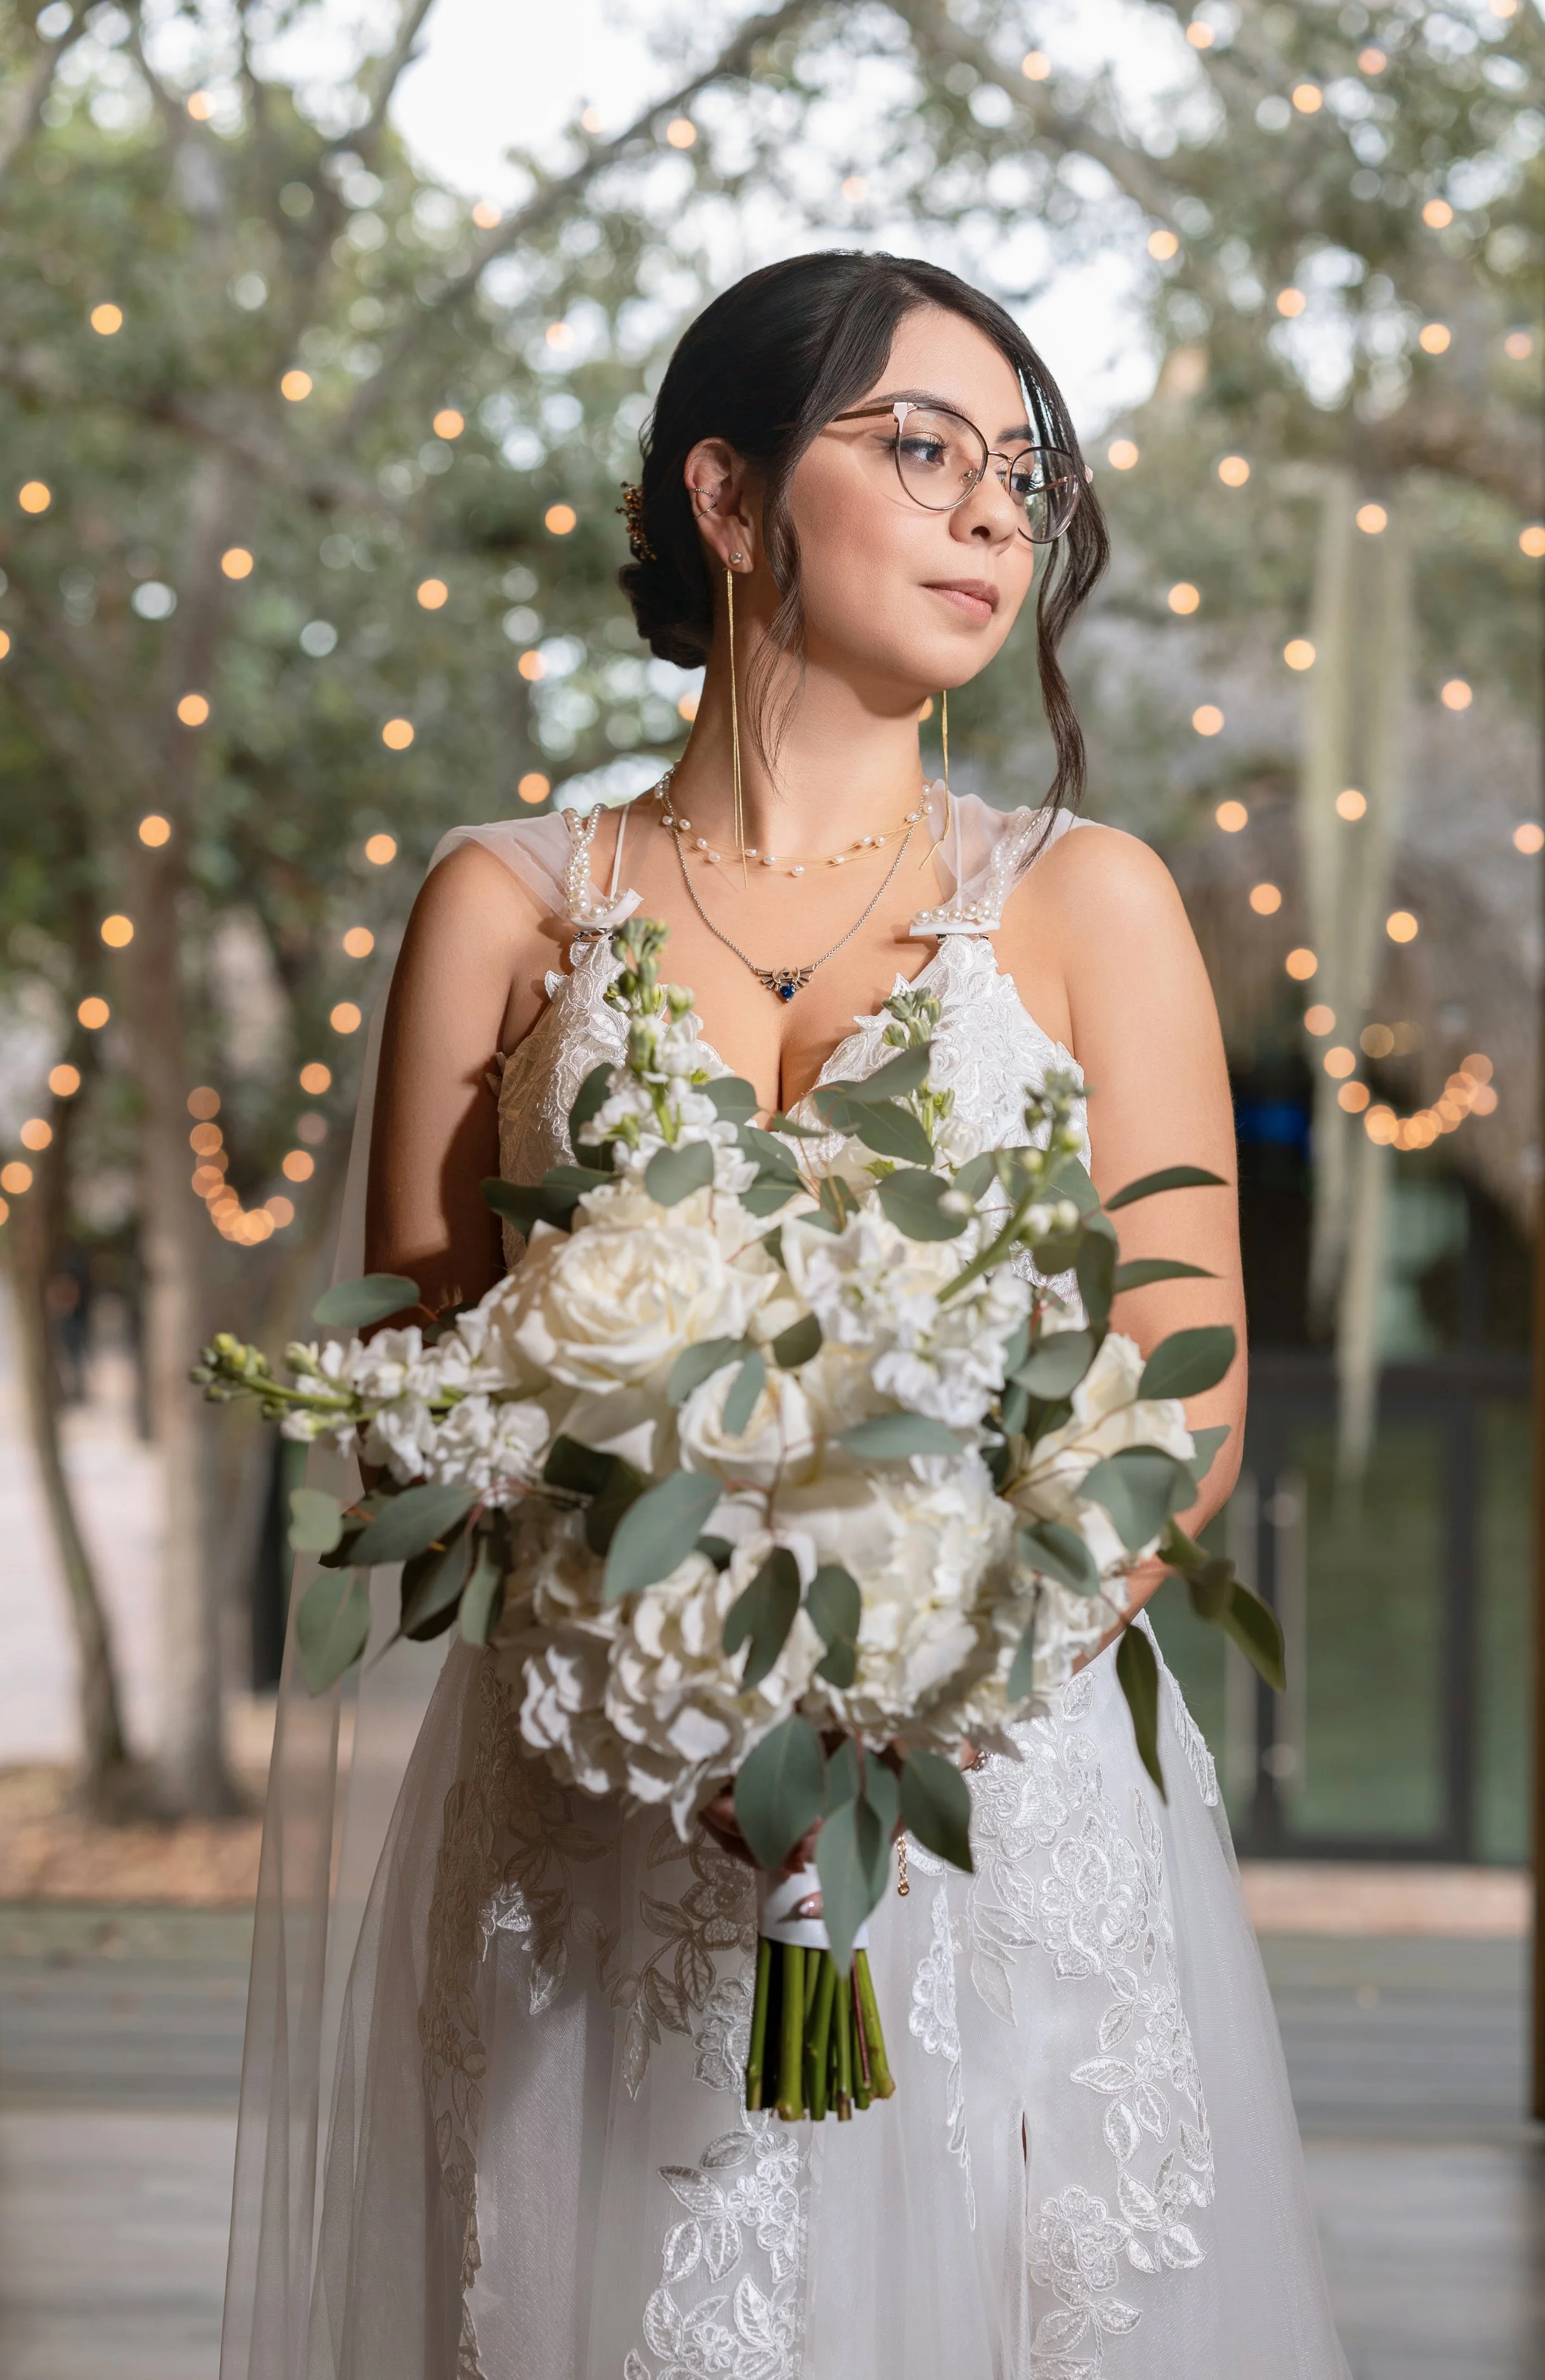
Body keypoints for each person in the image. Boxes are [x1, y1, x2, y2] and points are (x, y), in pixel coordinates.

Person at [223, 251, 1350, 2379]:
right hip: (598, 1833)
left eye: (1020, 472)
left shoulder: (1088, 902)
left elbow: (1172, 1401)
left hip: (985, 1821)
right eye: (921, 446)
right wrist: (651, 1623)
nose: (991, 514)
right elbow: (411, 1406)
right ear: (728, 500)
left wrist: (905, 1685)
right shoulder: (506, 903)